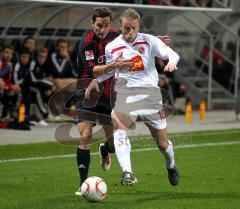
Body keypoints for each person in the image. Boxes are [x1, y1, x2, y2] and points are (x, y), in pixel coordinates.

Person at [74, 7, 172, 195]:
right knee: (85, 134)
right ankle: (83, 184)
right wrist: (114, 65)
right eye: (98, 25)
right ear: (91, 23)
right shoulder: (86, 43)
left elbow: (135, 40)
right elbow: (94, 71)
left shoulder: (115, 35)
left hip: (111, 92)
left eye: (106, 25)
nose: (102, 30)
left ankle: (105, 150)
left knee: (113, 142)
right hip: (89, 90)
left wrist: (155, 42)